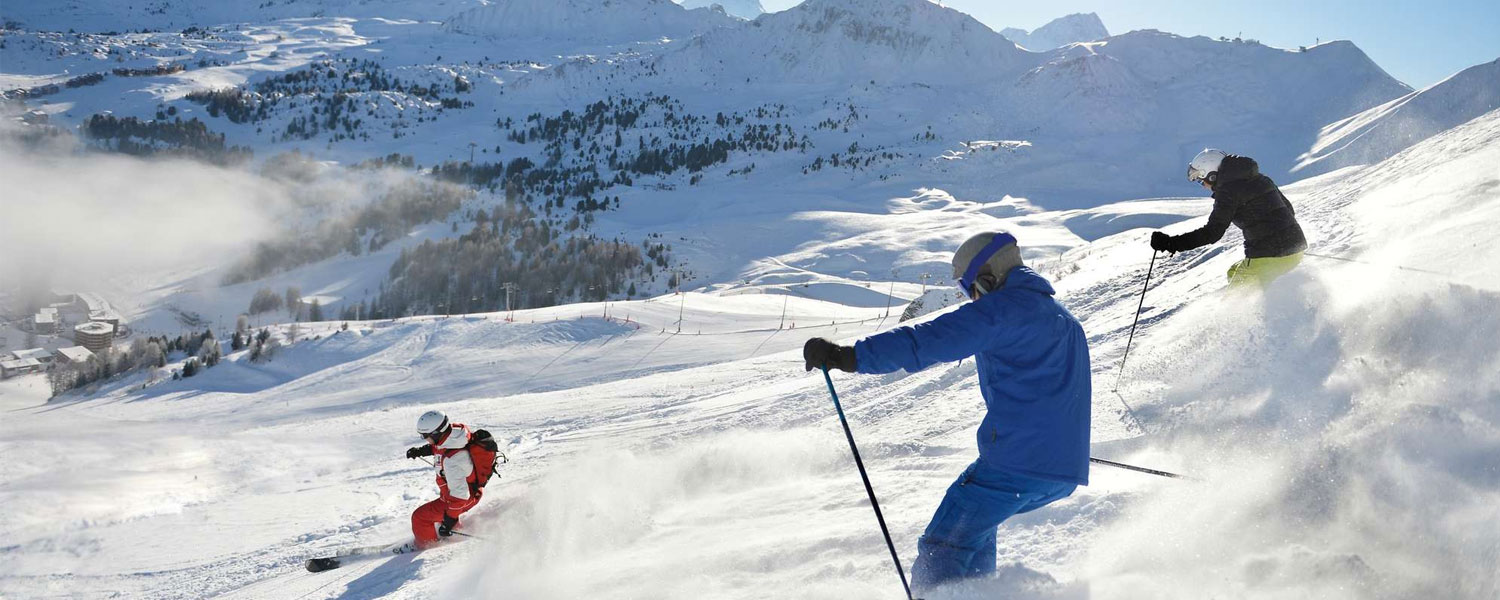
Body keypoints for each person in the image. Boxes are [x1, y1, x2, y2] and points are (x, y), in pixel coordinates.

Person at [803, 232, 1091, 592]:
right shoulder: (1062, 318)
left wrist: (848, 357)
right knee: (974, 535)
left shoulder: (1005, 310)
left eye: (969, 287)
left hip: (1016, 465)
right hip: (1063, 472)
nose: (971, 297)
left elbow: (929, 339)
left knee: (945, 545)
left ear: (987, 277)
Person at [1151, 149, 1308, 287]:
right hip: (1296, 247)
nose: (1202, 185)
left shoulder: (1228, 192)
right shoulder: (1259, 178)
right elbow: (1288, 209)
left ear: (1212, 176)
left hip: (1269, 256)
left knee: (1239, 301)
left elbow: (1212, 233)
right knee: (1234, 272)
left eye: (1200, 179)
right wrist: (1286, 242)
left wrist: (1171, 243)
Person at [405, 410, 495, 548]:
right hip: (468, 490)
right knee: (444, 509)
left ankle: (426, 546)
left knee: (419, 517)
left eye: (425, 436)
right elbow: (440, 447)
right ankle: (456, 531)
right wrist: (421, 451)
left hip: (465, 497)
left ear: (436, 433)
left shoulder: (452, 461)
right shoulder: (454, 435)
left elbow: (459, 496)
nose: (424, 438)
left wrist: (449, 522)